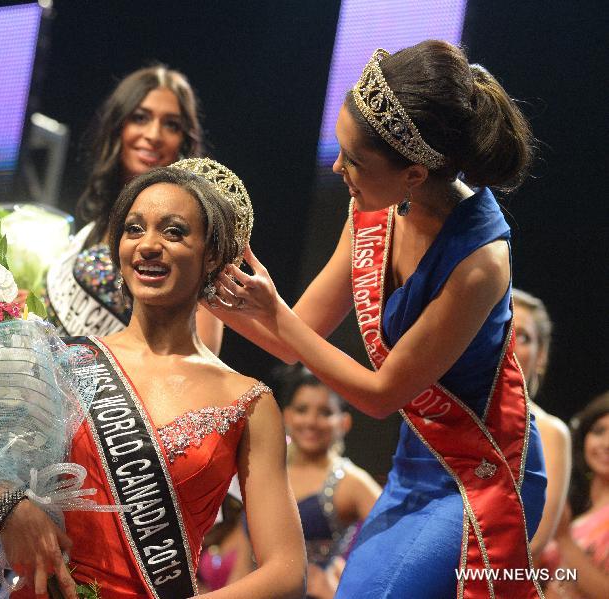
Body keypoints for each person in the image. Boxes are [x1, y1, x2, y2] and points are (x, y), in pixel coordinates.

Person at [208, 40, 546, 597]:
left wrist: (273, 311)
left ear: (414, 174)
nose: (339, 167)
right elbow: (295, 338)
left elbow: (380, 394)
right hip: (414, 464)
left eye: (355, 160)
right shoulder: (374, 206)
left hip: (481, 473)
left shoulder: (482, 260)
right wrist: (199, 292)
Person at [0, 160, 307, 599]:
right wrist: (6, 507)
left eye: (173, 232)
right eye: (134, 229)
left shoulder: (249, 402)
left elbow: (286, 572)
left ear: (212, 254)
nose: (149, 245)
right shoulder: (62, 361)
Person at [44, 65, 224, 353]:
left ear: (184, 141)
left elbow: (201, 354)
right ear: (118, 127)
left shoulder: (196, 237)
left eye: (171, 125)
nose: (154, 134)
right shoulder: (95, 226)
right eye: (140, 118)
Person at [277, 366, 380, 599]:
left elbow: (398, 546)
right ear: (287, 415)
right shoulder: (271, 471)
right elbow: (244, 559)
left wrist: (347, 589)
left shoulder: (352, 481)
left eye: (325, 412)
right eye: (302, 409)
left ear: (344, 422)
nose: (311, 421)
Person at [513, 288, 572, 561]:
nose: (509, 342)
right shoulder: (442, 410)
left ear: (541, 355)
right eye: (500, 327)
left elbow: (534, 541)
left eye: (522, 336)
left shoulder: (548, 431)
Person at [541, 393, 609, 599]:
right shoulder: (574, 505)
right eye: (599, 431)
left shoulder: (565, 528)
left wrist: (564, 540)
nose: (606, 444)